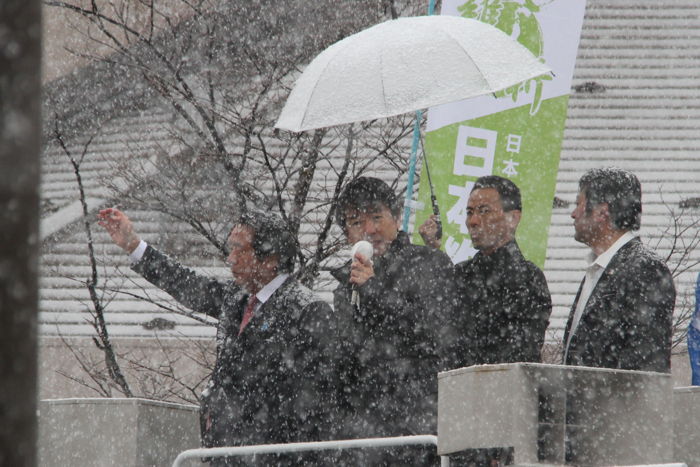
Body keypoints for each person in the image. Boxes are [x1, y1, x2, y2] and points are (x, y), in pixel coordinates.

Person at [98, 207, 336, 465]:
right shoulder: (237, 299)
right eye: (230, 248)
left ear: (271, 260)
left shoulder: (308, 311)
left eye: (239, 249)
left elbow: (317, 404)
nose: (230, 259)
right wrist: (133, 244)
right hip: (223, 453)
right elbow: (186, 284)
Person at [331, 177, 458, 464]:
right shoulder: (343, 287)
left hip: (417, 429)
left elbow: (433, 336)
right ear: (346, 235)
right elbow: (348, 359)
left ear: (397, 217)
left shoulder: (429, 263)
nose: (369, 229)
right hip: (363, 434)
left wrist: (373, 291)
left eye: (377, 216)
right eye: (355, 222)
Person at [420, 175, 552, 367]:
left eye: (484, 211)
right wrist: (433, 252)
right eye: (469, 212)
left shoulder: (528, 278)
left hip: (499, 390)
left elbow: (518, 353)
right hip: (458, 390)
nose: (473, 221)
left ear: (512, 218)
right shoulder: (462, 273)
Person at [563, 167, 675, 373]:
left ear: (602, 212)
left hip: (612, 403)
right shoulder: (599, 267)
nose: (573, 214)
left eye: (579, 204)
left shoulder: (645, 269)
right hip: (587, 402)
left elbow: (645, 365)